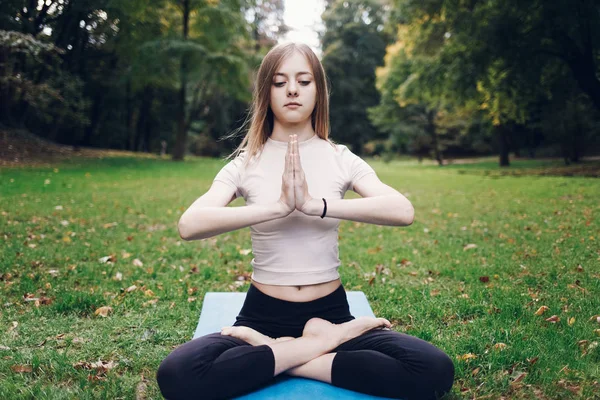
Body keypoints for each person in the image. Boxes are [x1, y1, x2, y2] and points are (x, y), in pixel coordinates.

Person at [156, 42, 454, 400]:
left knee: (433, 370)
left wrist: (317, 205)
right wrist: (278, 207)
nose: (292, 90)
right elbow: (190, 224)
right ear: (266, 92)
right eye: (280, 82)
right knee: (177, 375)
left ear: (319, 91)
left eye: (303, 80)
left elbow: (402, 210)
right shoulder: (245, 163)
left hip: (331, 313)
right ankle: (317, 345)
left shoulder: (340, 158)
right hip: (261, 314)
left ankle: (284, 352)